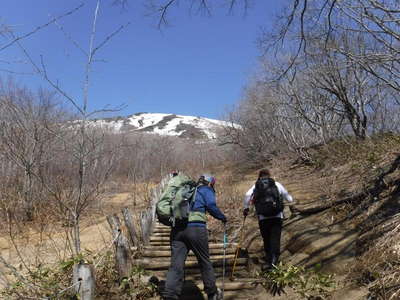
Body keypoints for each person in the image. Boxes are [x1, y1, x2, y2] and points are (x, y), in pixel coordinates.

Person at [162, 174, 227, 300]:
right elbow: (211, 206)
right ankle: (212, 293)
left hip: (177, 230)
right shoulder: (205, 190)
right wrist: (222, 217)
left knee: (176, 265)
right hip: (196, 229)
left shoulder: (185, 191)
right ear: (210, 183)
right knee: (204, 261)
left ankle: (170, 295)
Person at [243, 168, 295, 271]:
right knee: (275, 239)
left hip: (263, 217)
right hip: (276, 216)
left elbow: (247, 195)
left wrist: (246, 208)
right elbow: (288, 197)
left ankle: (268, 259)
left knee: (266, 239)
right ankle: (274, 262)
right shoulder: (276, 184)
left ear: (260, 176)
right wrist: (290, 200)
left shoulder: (256, 185)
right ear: (269, 175)